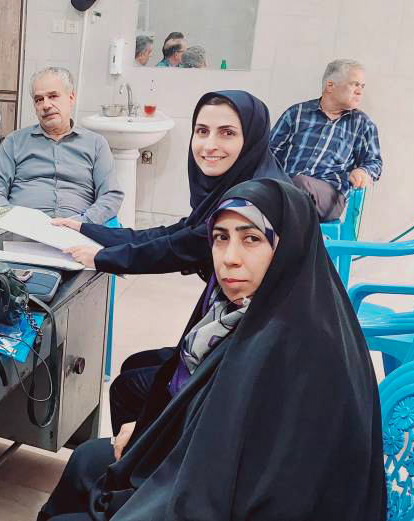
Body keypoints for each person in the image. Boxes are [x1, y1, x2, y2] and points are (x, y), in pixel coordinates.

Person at [39, 178, 386, 520]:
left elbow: (274, 490)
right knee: (86, 460)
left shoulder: (301, 348)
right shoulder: (245, 309)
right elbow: (212, 420)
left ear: (288, 246)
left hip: (238, 499)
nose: (229, 258)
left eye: (251, 239)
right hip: (207, 469)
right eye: (221, 238)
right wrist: (152, 433)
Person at [52, 90, 285, 275]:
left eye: (227, 133)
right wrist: (87, 229)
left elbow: (180, 249)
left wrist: (100, 257)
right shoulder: (240, 183)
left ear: (252, 138)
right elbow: (178, 233)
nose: (209, 145)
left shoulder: (250, 203)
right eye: (202, 131)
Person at [0, 66, 123, 224]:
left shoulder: (96, 144)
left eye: (53, 96)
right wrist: (15, 221)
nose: (46, 105)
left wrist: (83, 223)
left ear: (71, 98)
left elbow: (111, 195)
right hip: (23, 229)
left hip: (78, 230)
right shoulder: (14, 142)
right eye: (39, 99)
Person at [270, 58, 382, 221]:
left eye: (362, 86)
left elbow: (374, 163)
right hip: (285, 188)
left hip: (329, 196)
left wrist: (363, 171)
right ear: (330, 85)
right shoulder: (296, 113)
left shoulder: (362, 124)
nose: (359, 91)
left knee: (299, 184)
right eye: (354, 84)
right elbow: (270, 154)